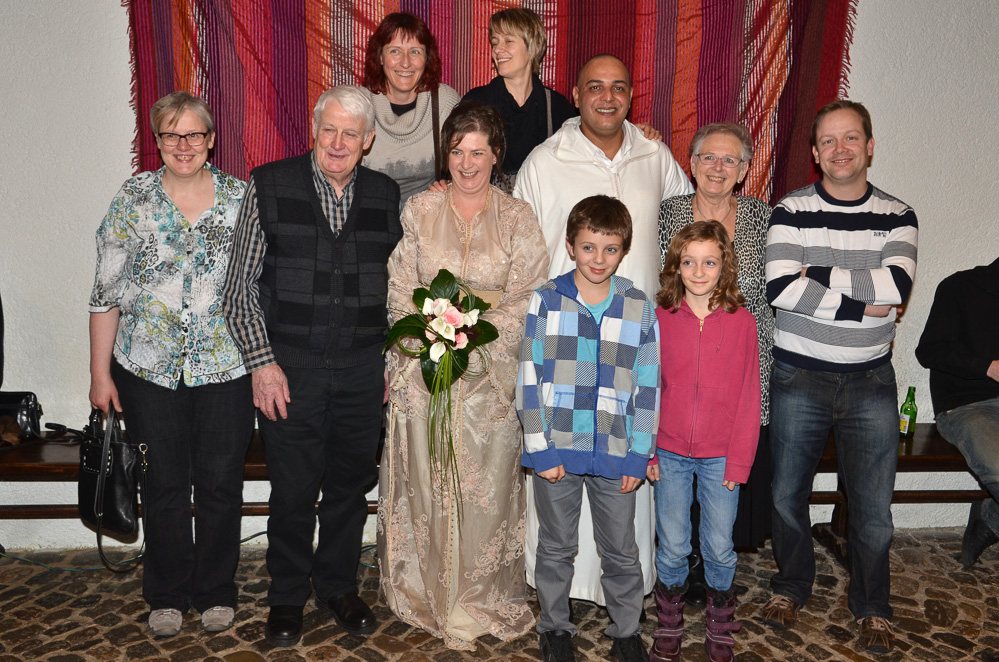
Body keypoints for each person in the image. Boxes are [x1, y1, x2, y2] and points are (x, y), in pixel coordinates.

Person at [222, 85, 402, 647]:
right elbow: (238, 289)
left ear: (368, 141)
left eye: (351, 133)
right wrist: (262, 364)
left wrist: (391, 360)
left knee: (350, 488)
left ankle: (338, 587)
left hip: (361, 372)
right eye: (330, 130)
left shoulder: (386, 195)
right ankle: (286, 595)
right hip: (289, 372)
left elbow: (398, 289)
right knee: (293, 490)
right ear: (313, 130)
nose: (339, 143)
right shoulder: (269, 184)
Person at [514, 53, 691, 609]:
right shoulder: (545, 160)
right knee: (558, 518)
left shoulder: (655, 156)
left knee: (622, 514)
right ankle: (556, 604)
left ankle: (625, 606)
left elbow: (685, 230)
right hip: (563, 353)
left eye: (618, 87)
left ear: (632, 95)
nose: (607, 97)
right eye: (595, 86)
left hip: (630, 344)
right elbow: (521, 250)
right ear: (575, 94)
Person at [378, 100, 550, 650]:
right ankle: (426, 593)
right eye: (457, 151)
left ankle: (478, 597)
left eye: (479, 152)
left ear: (497, 155)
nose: (467, 163)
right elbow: (400, 287)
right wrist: (427, 342)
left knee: (485, 495)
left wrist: (472, 344)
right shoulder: (420, 210)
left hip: (489, 381)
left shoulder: (518, 217)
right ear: (445, 155)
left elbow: (529, 295)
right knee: (428, 487)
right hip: (423, 375)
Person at [88, 91, 254, 638]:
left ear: (211, 139)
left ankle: (216, 591)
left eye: (194, 134)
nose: (183, 145)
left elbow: (258, 288)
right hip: (148, 370)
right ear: (157, 141)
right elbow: (105, 293)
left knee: (221, 485)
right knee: (162, 485)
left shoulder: (241, 199)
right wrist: (99, 374)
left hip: (226, 368)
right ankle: (165, 595)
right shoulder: (132, 199)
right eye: (171, 135)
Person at [761, 100, 918, 655]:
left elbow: (895, 288)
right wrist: (861, 303)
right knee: (786, 496)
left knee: (873, 509)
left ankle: (873, 606)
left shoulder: (898, 215)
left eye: (851, 138)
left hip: (870, 381)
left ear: (869, 146)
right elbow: (781, 289)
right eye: (828, 140)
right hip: (798, 374)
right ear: (814, 152)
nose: (840, 149)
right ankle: (790, 586)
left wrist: (819, 273)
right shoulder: (790, 210)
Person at [517, 195, 660, 662]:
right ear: (571, 246)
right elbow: (528, 378)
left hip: (618, 452)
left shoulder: (637, 306)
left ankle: (627, 632)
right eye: (588, 247)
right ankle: (555, 628)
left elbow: (648, 387)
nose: (599, 259)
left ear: (624, 250)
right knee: (556, 547)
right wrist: (540, 450)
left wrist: (639, 454)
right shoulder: (547, 300)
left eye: (610, 249)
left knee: (621, 549)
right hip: (557, 449)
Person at [657, 122, 773, 608]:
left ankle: (717, 585)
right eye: (709, 157)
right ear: (692, 163)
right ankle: (676, 586)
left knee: (723, 500)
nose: (718, 167)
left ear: (744, 169)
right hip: (681, 349)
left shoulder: (762, 216)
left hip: (740, 352)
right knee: (673, 520)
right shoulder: (669, 212)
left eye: (730, 160)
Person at [649, 221, 760, 662]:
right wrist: (647, 450)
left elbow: (749, 395)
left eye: (709, 262)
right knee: (673, 545)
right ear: (675, 267)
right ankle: (669, 624)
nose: (698, 272)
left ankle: (720, 624)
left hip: (721, 456)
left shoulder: (742, 322)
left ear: (724, 266)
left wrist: (739, 462)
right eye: (689, 262)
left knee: (718, 547)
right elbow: (646, 388)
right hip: (669, 451)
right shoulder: (660, 318)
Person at [915, 256, 999, 568]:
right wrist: (987, 367)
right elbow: (929, 350)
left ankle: (991, 519)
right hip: (968, 405)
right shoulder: (960, 287)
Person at [461, 7, 575, 190]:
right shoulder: (475, 103)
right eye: (495, 42)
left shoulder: (557, 108)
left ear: (535, 48)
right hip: (485, 205)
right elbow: (456, 163)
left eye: (508, 41)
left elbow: (574, 167)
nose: (498, 49)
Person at [361, 12, 460, 207]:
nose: (405, 63)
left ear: (427, 58)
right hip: (369, 215)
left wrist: (451, 185)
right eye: (395, 51)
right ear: (380, 57)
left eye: (415, 52)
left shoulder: (445, 103)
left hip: (426, 216)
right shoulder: (358, 105)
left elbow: (468, 163)